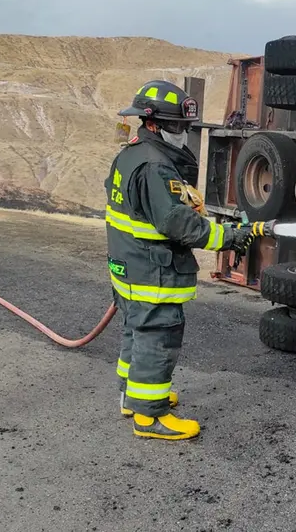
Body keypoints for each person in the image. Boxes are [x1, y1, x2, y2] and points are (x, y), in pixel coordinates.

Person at [104, 79, 253, 440]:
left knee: (136, 331)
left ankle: (133, 397)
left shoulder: (131, 153)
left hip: (127, 265)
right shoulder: (156, 166)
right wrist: (229, 236)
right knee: (158, 335)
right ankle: (150, 417)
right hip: (152, 270)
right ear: (151, 122)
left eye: (186, 126)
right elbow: (178, 224)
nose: (182, 133)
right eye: (176, 126)